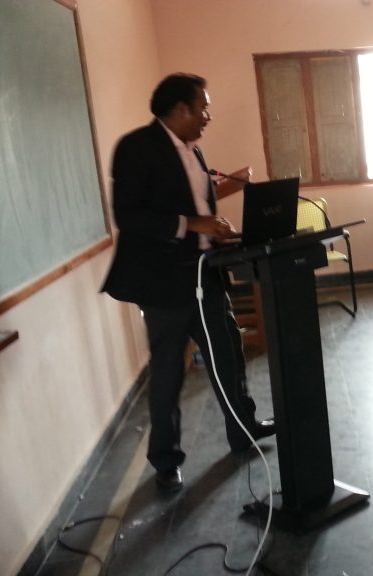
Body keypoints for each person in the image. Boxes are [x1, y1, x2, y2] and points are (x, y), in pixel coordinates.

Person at [101, 73, 274, 493]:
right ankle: (166, 460)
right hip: (164, 284)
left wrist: (214, 227)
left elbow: (194, 201)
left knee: (228, 354)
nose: (208, 116)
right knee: (168, 373)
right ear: (180, 109)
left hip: (206, 273)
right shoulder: (136, 147)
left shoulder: (193, 150)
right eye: (203, 108)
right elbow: (129, 216)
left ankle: (244, 430)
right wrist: (191, 224)